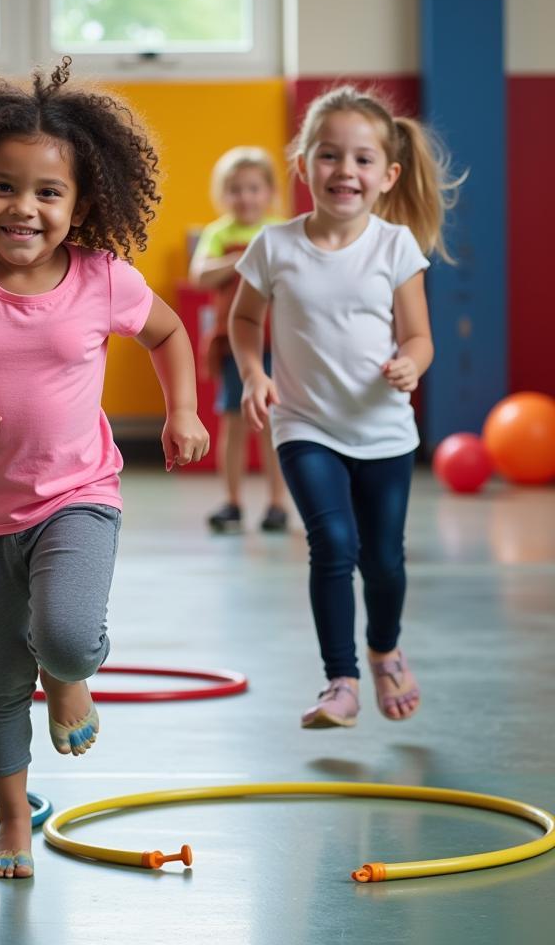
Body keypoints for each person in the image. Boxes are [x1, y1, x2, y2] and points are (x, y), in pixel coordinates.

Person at [0, 58, 210, 878]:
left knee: (62, 633)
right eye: (1, 187)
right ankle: (13, 819)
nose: (23, 208)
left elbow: (168, 332)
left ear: (81, 203)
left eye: (47, 193)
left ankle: (67, 677)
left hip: (76, 493)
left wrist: (183, 410)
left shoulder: (103, 278)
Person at [229, 85, 460, 730]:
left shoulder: (395, 248)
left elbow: (420, 336)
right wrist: (253, 374)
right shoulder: (274, 246)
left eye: (361, 160)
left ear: (387, 175)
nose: (344, 172)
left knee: (382, 559)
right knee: (332, 543)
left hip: (385, 434)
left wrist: (412, 362)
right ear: (303, 165)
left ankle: (384, 649)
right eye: (329, 156)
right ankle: (341, 681)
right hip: (304, 426)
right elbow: (244, 321)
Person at [188, 147, 289, 534]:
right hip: (235, 346)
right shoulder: (219, 234)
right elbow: (200, 275)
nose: (245, 197)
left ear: (268, 192)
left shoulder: (280, 231)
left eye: (253, 188)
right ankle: (232, 501)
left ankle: (278, 502)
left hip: (277, 344)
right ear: (223, 194)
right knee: (234, 422)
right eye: (235, 190)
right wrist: (241, 258)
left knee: (274, 424)